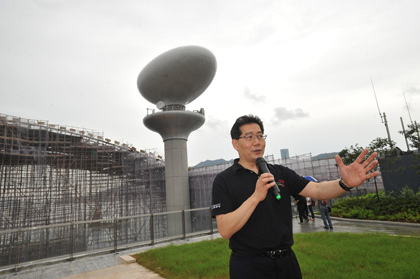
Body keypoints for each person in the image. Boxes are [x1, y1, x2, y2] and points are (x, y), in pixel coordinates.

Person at [211, 114, 379, 279]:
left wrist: (345, 183)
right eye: (249, 137)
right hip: (249, 265)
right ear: (235, 143)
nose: (257, 142)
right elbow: (225, 229)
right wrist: (255, 197)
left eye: (260, 136)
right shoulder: (224, 180)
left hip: (286, 263)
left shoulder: (280, 172)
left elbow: (318, 190)